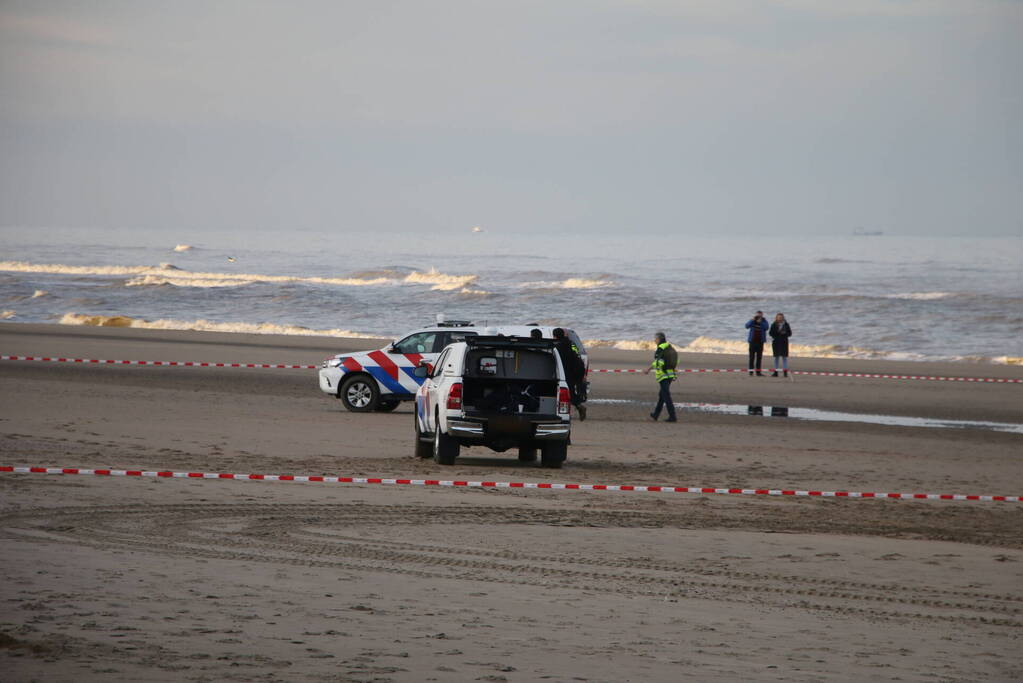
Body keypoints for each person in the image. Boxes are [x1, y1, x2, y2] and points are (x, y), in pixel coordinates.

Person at [552, 327, 586, 420]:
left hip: (565, 372)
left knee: (565, 393)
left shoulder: (557, 347)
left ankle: (572, 409)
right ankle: (577, 406)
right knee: (569, 392)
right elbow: (577, 354)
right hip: (574, 371)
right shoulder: (569, 343)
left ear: (554, 336)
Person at [643, 332, 677, 422]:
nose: (654, 340)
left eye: (655, 339)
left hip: (663, 376)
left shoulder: (661, 348)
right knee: (662, 395)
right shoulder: (669, 346)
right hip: (670, 375)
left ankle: (673, 416)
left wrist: (649, 369)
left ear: (659, 339)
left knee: (666, 396)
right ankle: (655, 415)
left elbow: (659, 362)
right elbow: (677, 359)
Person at [745, 311, 769, 376]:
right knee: (751, 357)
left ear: (762, 315)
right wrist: (752, 320)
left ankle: (758, 372)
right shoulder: (753, 321)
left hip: (760, 342)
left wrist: (761, 322)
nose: (759, 317)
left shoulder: (764, 321)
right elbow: (746, 326)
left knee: (759, 358)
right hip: (752, 341)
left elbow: (766, 328)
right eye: (757, 315)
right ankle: (751, 372)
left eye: (760, 315)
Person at [769, 313, 792, 377]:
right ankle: (776, 372)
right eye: (778, 317)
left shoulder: (786, 325)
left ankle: (785, 372)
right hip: (776, 342)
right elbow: (770, 333)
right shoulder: (773, 324)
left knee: (784, 357)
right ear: (776, 318)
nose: (780, 318)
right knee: (776, 357)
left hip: (784, 342)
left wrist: (785, 333)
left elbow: (790, 333)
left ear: (783, 318)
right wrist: (777, 332)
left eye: (781, 317)